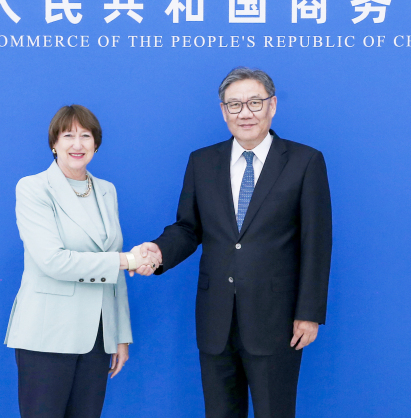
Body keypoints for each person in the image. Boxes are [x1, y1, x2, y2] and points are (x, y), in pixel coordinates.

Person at [139, 67, 332, 418]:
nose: (245, 113)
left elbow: (316, 243)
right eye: (235, 105)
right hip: (216, 319)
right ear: (223, 111)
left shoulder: (305, 161)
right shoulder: (202, 162)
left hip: (276, 320)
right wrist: (160, 251)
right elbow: (188, 228)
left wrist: (309, 313)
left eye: (254, 102)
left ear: (272, 105)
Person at [4, 104, 160, 418]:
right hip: (47, 335)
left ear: (96, 144)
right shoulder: (33, 188)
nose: (78, 144)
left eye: (86, 136)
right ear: (54, 143)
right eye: (68, 136)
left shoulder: (106, 191)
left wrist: (119, 335)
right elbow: (53, 261)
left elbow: (114, 269)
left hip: (98, 337)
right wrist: (129, 260)